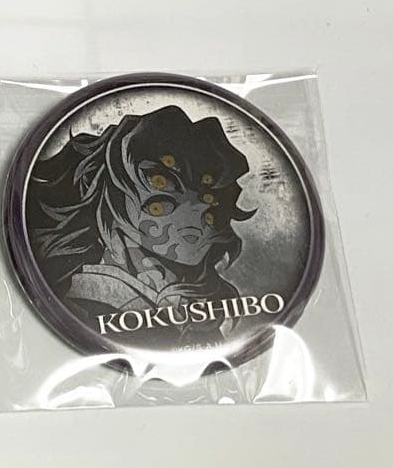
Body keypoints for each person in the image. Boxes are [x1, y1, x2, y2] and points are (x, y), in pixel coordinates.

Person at [27, 105, 255, 345]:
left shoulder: (192, 309)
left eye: (207, 197)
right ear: (113, 197)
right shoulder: (86, 304)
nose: (198, 211)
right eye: (163, 192)